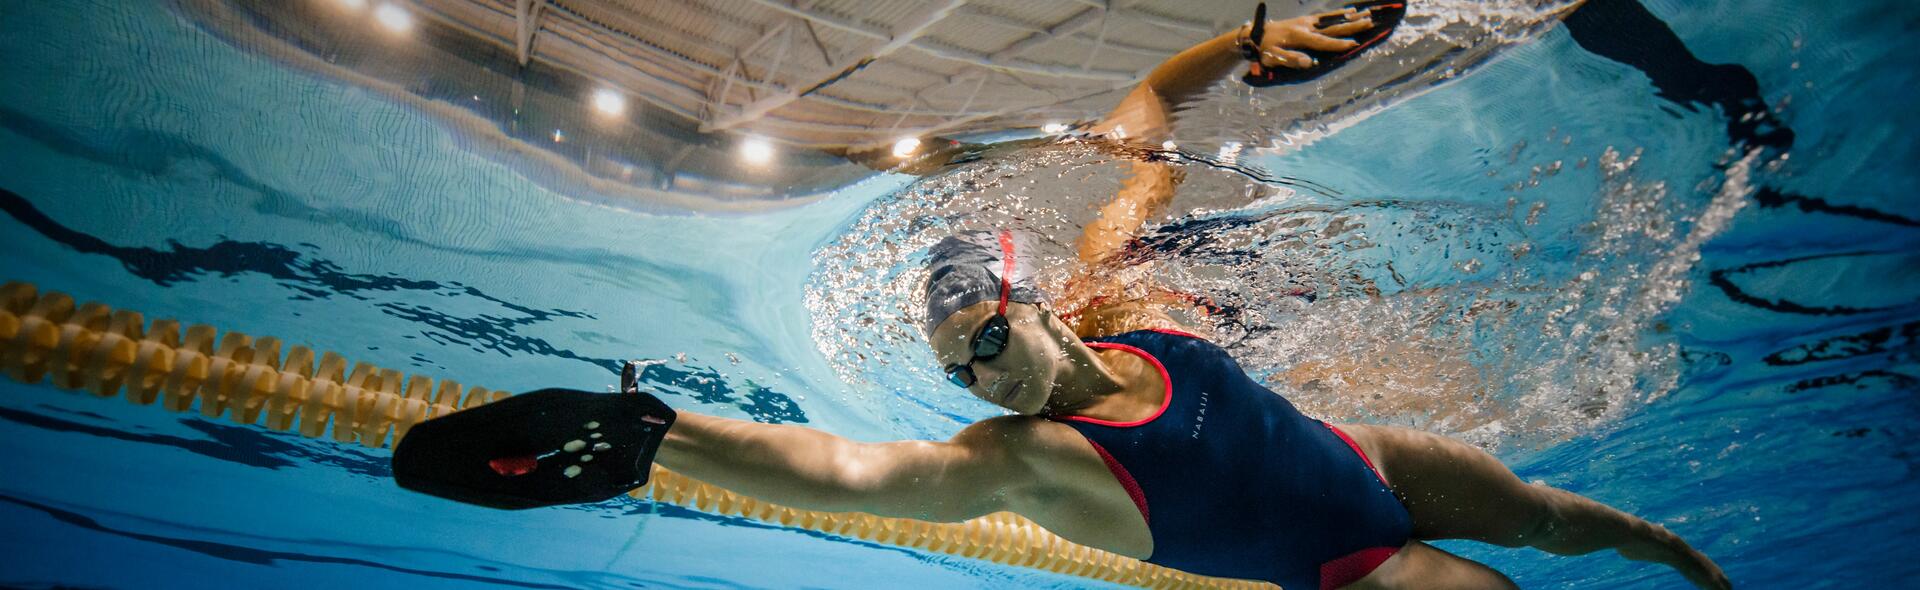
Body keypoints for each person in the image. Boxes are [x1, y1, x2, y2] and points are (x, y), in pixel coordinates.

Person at [395, 4, 1733, 589]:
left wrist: (1238, 47)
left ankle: (1689, 566)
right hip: (1352, 564)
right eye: (961, 368)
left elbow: (1138, 128)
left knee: (1574, 522)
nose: (983, 372)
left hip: (1364, 454)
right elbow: (851, 474)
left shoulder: (1111, 297)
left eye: (985, 336)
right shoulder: (1026, 458)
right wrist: (654, 440)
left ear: (1031, 303)